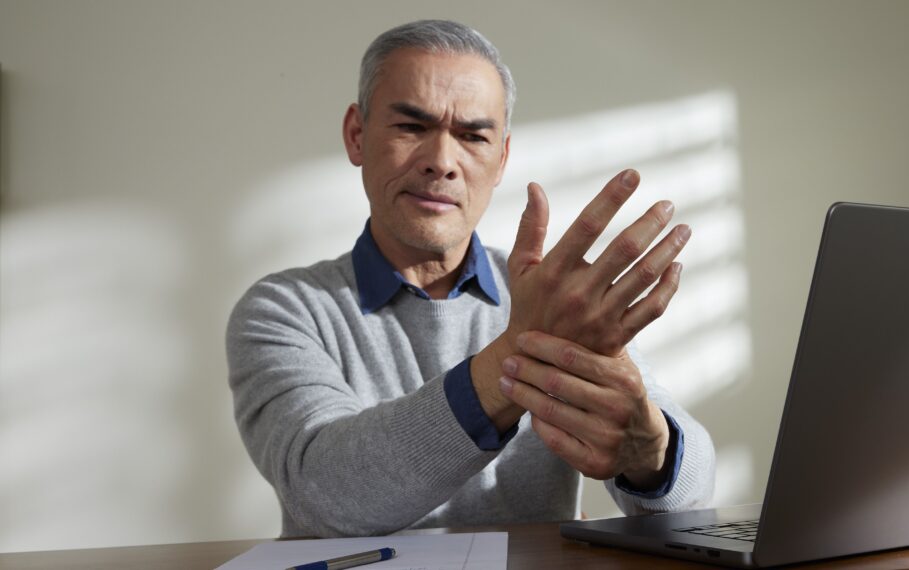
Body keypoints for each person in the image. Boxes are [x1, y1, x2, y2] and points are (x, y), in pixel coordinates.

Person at [227, 19, 715, 538]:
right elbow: (328, 495)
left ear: (501, 157)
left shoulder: (548, 295)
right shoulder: (284, 309)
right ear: (356, 136)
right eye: (412, 127)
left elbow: (692, 495)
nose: (442, 162)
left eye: (473, 135)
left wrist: (653, 452)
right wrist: (520, 356)